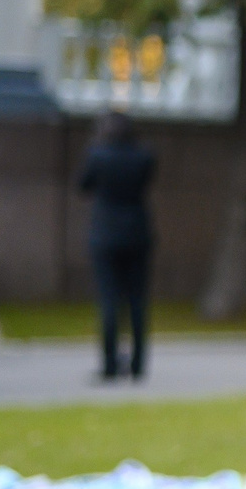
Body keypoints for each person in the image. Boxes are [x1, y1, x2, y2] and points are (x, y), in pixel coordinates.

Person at [76, 112, 156, 382]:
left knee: (109, 300)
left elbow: (83, 185)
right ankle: (138, 363)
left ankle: (110, 363)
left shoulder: (97, 154)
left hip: (106, 233)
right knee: (137, 300)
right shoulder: (144, 155)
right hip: (137, 232)